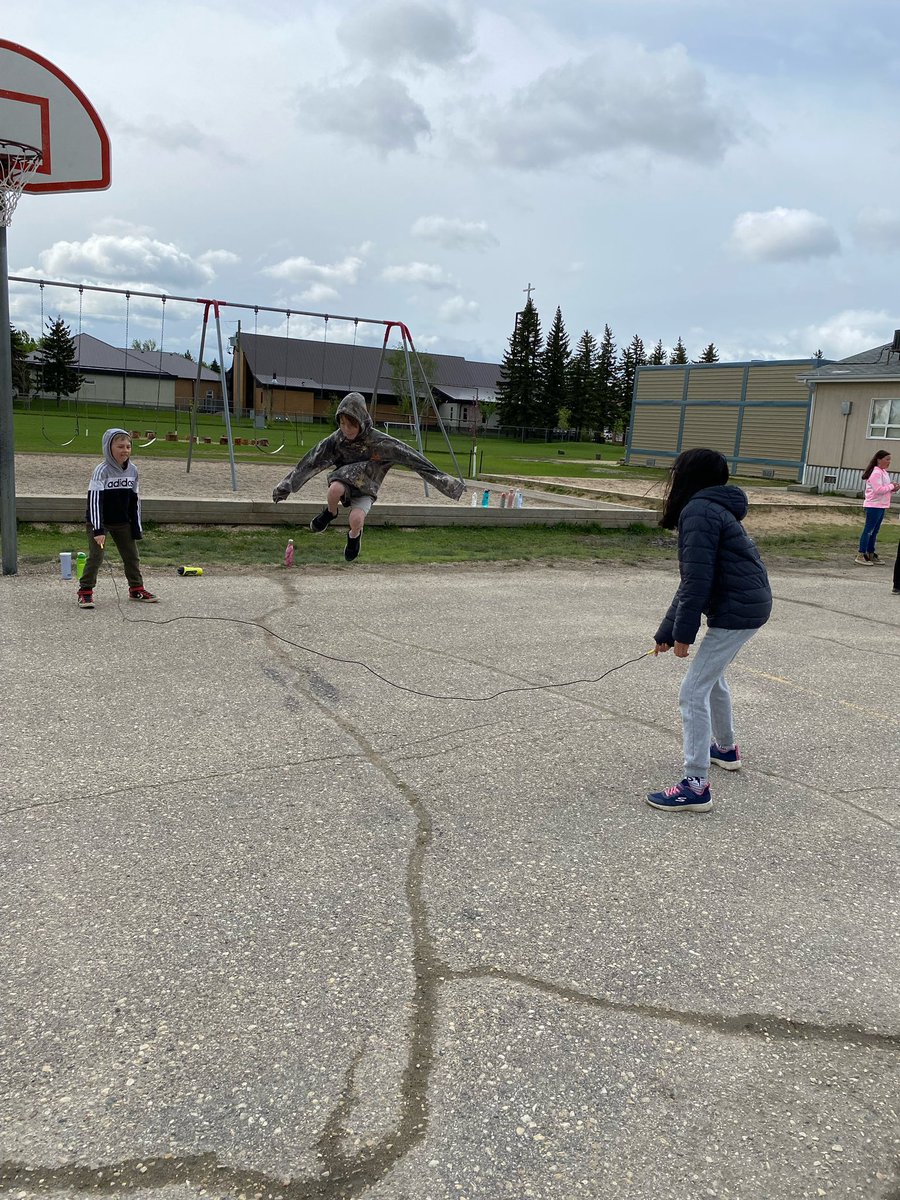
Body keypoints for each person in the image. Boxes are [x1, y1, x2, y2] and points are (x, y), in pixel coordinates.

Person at [646, 448, 772, 813]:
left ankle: (696, 784)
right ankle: (726, 749)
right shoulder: (711, 507)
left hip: (738, 609)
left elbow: (698, 579)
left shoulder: (700, 510)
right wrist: (667, 630)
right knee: (712, 679)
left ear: (690, 476)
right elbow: (692, 580)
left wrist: (684, 633)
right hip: (749, 605)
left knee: (692, 691)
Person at [272, 392, 466, 560]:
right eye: (342, 424)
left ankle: (354, 537)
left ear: (361, 422)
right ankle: (330, 513)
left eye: (351, 426)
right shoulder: (336, 439)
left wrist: (448, 484)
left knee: (356, 519)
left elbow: (412, 458)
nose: (346, 430)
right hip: (344, 482)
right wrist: (286, 486)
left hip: (366, 488)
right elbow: (310, 461)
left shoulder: (379, 442)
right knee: (334, 488)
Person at [76, 428, 157, 608]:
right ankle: (85, 591)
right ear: (108, 448)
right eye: (120, 446)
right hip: (100, 522)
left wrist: (136, 526)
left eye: (128, 446)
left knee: (132, 556)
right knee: (96, 557)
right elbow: (95, 501)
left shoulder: (133, 470)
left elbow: (135, 500)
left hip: (122, 522)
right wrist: (98, 529)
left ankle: (136, 589)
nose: (125, 450)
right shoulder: (101, 471)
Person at [855, 449, 899, 566]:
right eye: (887, 459)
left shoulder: (884, 472)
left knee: (875, 531)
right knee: (868, 530)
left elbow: (885, 490)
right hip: (873, 505)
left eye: (890, 460)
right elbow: (878, 490)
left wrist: (893, 489)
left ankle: (870, 553)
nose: (889, 462)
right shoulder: (876, 472)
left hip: (881, 505)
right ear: (879, 460)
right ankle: (861, 554)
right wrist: (891, 486)